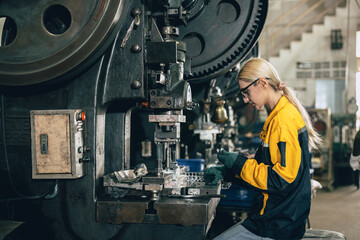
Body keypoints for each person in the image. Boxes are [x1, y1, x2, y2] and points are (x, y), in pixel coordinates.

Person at [205, 58, 322, 240]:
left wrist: (239, 162)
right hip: (273, 217)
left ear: (262, 83)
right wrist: (229, 172)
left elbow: (279, 179)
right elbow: (264, 168)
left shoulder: (283, 120)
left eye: (246, 92)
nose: (245, 99)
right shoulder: (277, 116)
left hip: (278, 224)